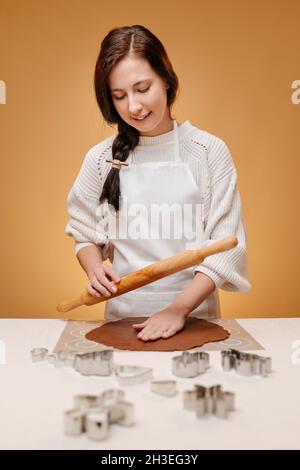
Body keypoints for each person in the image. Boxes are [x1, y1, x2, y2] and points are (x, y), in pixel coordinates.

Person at [65, 24, 251, 342]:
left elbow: (225, 247)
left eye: (142, 88)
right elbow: (84, 235)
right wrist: (94, 268)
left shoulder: (208, 151)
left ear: (166, 78)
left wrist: (177, 310)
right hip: (124, 325)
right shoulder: (100, 158)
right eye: (119, 96)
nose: (133, 106)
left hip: (195, 322)